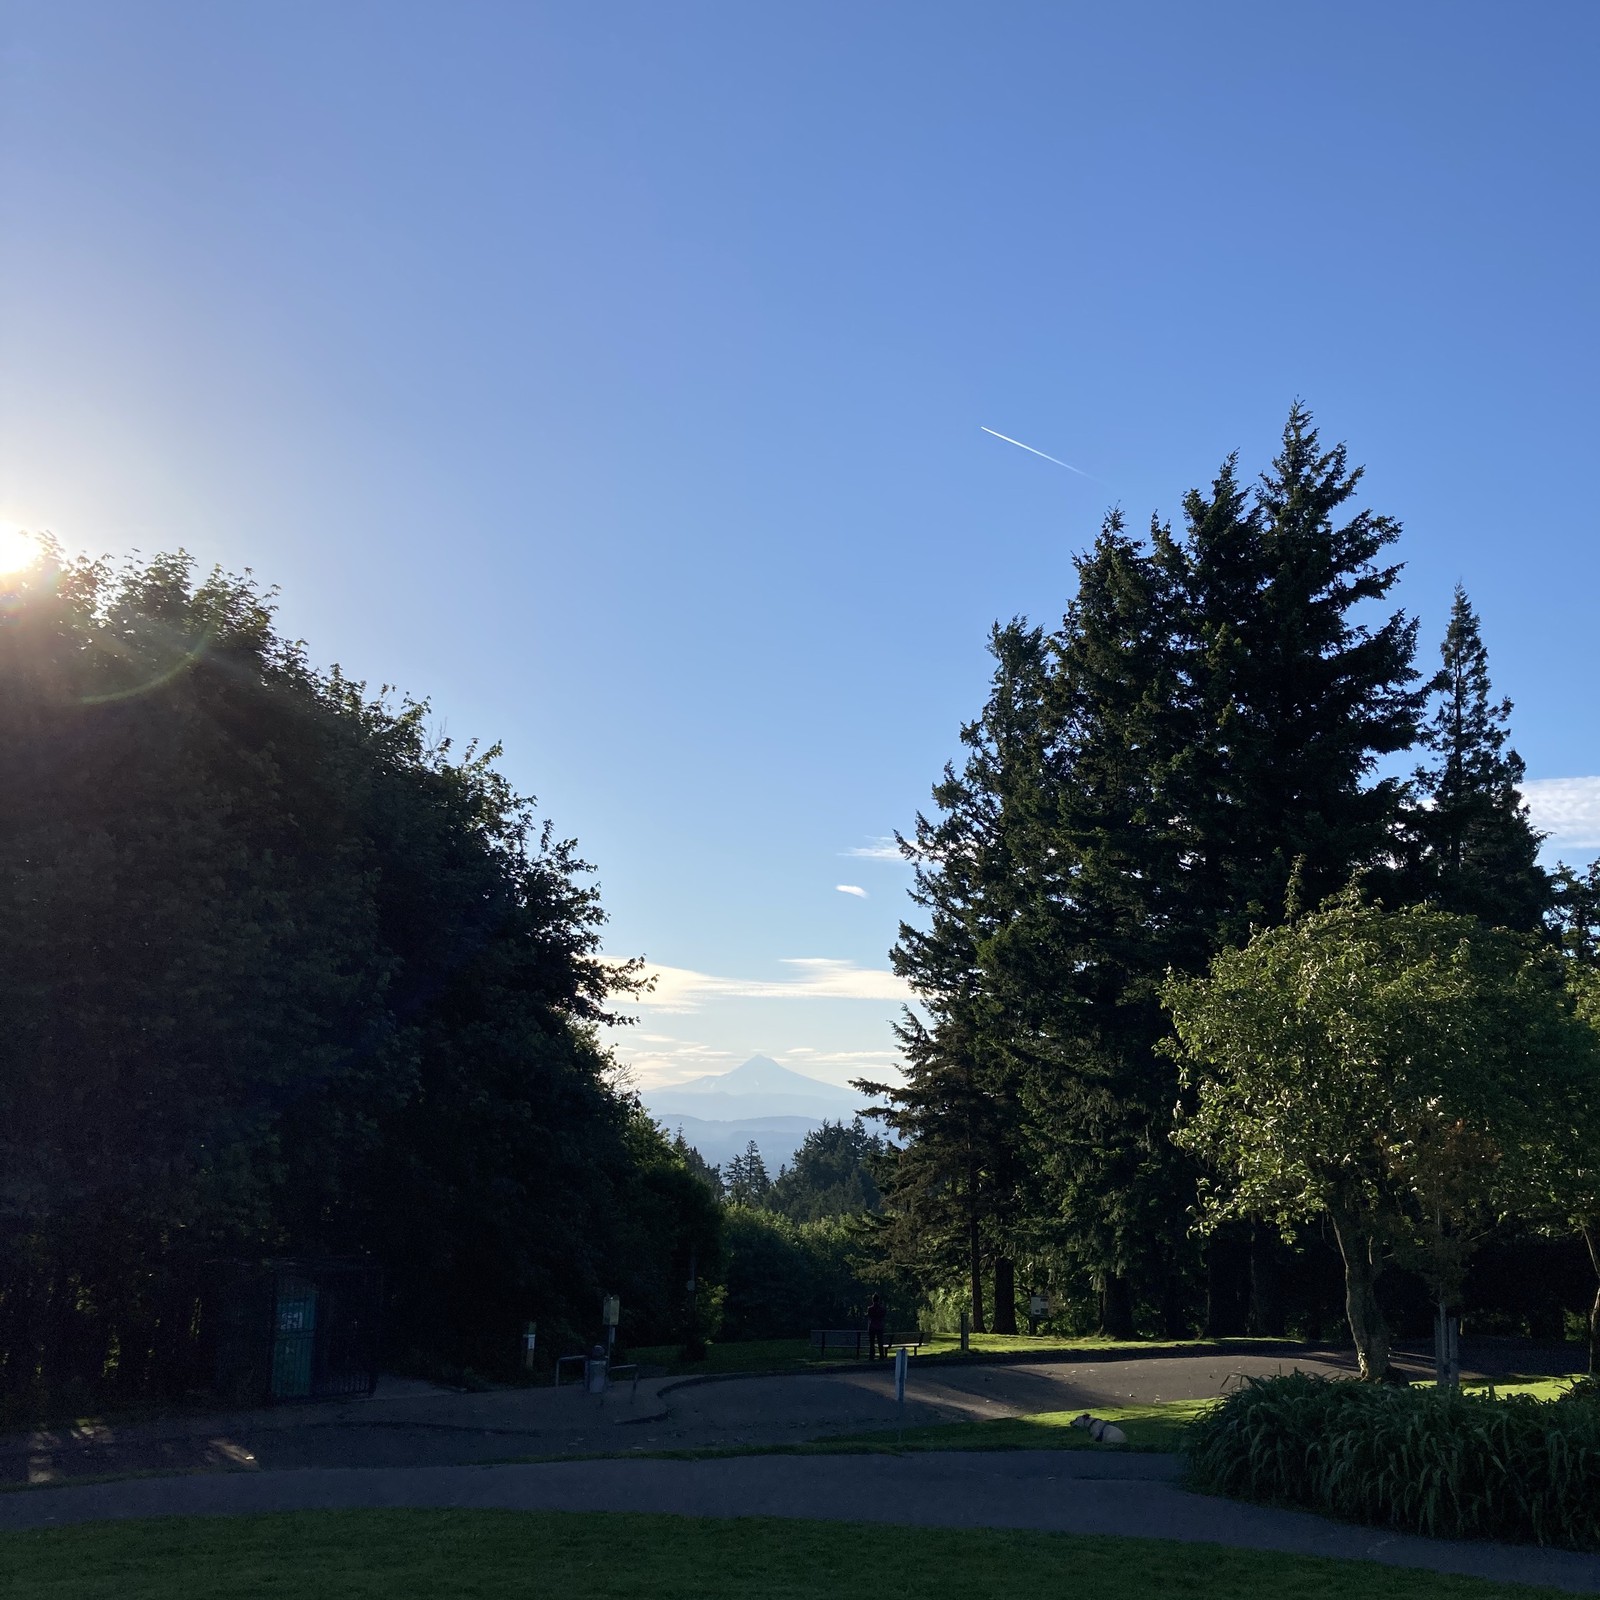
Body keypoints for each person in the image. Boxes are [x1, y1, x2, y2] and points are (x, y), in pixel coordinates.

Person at [866, 1293, 888, 1360]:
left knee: (872, 1342)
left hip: (872, 1326)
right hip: (879, 1326)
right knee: (880, 1342)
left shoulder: (870, 1309)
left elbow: (869, 1317)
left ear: (872, 1300)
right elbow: (884, 1315)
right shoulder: (881, 1309)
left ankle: (871, 1356)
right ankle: (881, 1355)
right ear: (878, 1300)